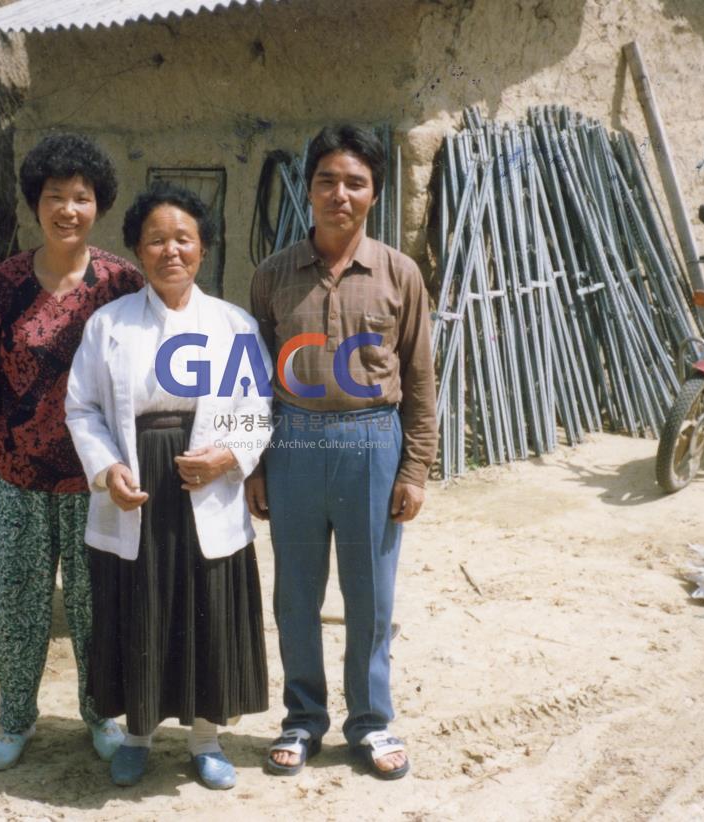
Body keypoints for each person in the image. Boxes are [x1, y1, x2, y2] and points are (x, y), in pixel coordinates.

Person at [65, 183, 271, 791]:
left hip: (205, 480)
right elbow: (82, 410)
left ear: (203, 247)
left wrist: (228, 455)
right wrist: (107, 470)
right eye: (156, 240)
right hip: (138, 485)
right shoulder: (108, 325)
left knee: (206, 609)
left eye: (183, 238)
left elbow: (256, 406)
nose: (170, 250)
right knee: (140, 606)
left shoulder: (233, 325)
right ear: (137, 249)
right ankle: (138, 735)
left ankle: (206, 739)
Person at [246, 125, 437, 780]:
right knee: (295, 595)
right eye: (327, 180)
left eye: (354, 182)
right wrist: (254, 464)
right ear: (309, 191)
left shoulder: (398, 274)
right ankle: (302, 720)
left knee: (370, 597)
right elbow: (252, 381)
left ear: (373, 193)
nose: (340, 194)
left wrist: (414, 468)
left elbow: (418, 379)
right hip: (293, 443)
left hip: (371, 445)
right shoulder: (272, 276)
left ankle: (371, 721)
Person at [0, 133, 143, 771]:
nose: (67, 209)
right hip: (16, 474)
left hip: (94, 478)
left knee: (98, 606)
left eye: (81, 197)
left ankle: (100, 715)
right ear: (34, 204)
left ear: (98, 205)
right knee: (16, 602)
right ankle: (15, 719)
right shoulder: (4, 284)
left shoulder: (122, 284)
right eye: (54, 197)